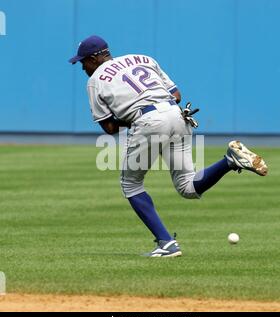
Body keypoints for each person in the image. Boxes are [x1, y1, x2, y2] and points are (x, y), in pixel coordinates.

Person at [69, 35, 268, 257]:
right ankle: (230, 161)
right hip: (176, 114)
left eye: (83, 61)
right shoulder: (142, 58)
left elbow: (109, 128)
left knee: (131, 185)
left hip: (148, 122)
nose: (82, 67)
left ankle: (166, 243)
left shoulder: (95, 80)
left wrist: (131, 114)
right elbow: (176, 95)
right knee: (188, 187)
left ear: (95, 58)